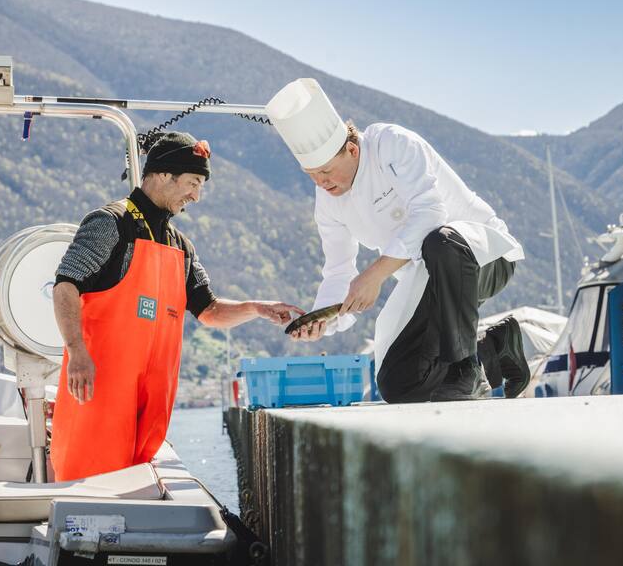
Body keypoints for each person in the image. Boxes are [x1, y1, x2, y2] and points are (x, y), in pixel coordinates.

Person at [50, 131, 300, 481]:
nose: (196, 196)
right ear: (164, 174)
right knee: (90, 482)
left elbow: (209, 310)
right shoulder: (110, 223)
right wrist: (76, 350)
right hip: (100, 389)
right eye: (193, 182)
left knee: (135, 485)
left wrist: (256, 308)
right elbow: (66, 284)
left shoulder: (181, 246)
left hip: (151, 405)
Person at [266, 78, 530, 403]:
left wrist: (375, 275)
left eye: (326, 171)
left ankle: (466, 370)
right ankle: (493, 346)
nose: (321, 183)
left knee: (440, 241)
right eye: (312, 176)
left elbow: (430, 214)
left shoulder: (391, 144)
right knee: (398, 384)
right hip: (427, 284)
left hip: (483, 257)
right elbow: (338, 271)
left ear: (352, 150)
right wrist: (320, 320)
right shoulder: (328, 203)